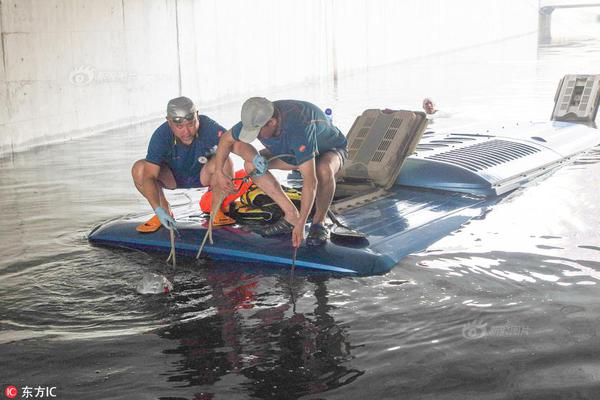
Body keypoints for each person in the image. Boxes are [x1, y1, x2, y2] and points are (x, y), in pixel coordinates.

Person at [213, 97, 348, 247]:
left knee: (322, 170)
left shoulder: (298, 127)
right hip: (291, 153)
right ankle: (291, 215)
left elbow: (310, 181)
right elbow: (226, 139)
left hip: (330, 150)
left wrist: (302, 224)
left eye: (257, 132)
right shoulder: (257, 116)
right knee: (251, 165)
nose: (256, 136)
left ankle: (319, 222)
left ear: (272, 122)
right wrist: (219, 172)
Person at [132, 96, 234, 233]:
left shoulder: (209, 126)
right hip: (172, 178)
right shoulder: (161, 136)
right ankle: (164, 213)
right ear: (169, 122)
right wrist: (157, 208)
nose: (186, 132)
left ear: (197, 116)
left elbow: (235, 144)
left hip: (205, 175)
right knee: (139, 169)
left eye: (191, 124)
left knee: (225, 161)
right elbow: (149, 176)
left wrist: (254, 158)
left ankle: (216, 209)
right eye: (179, 126)